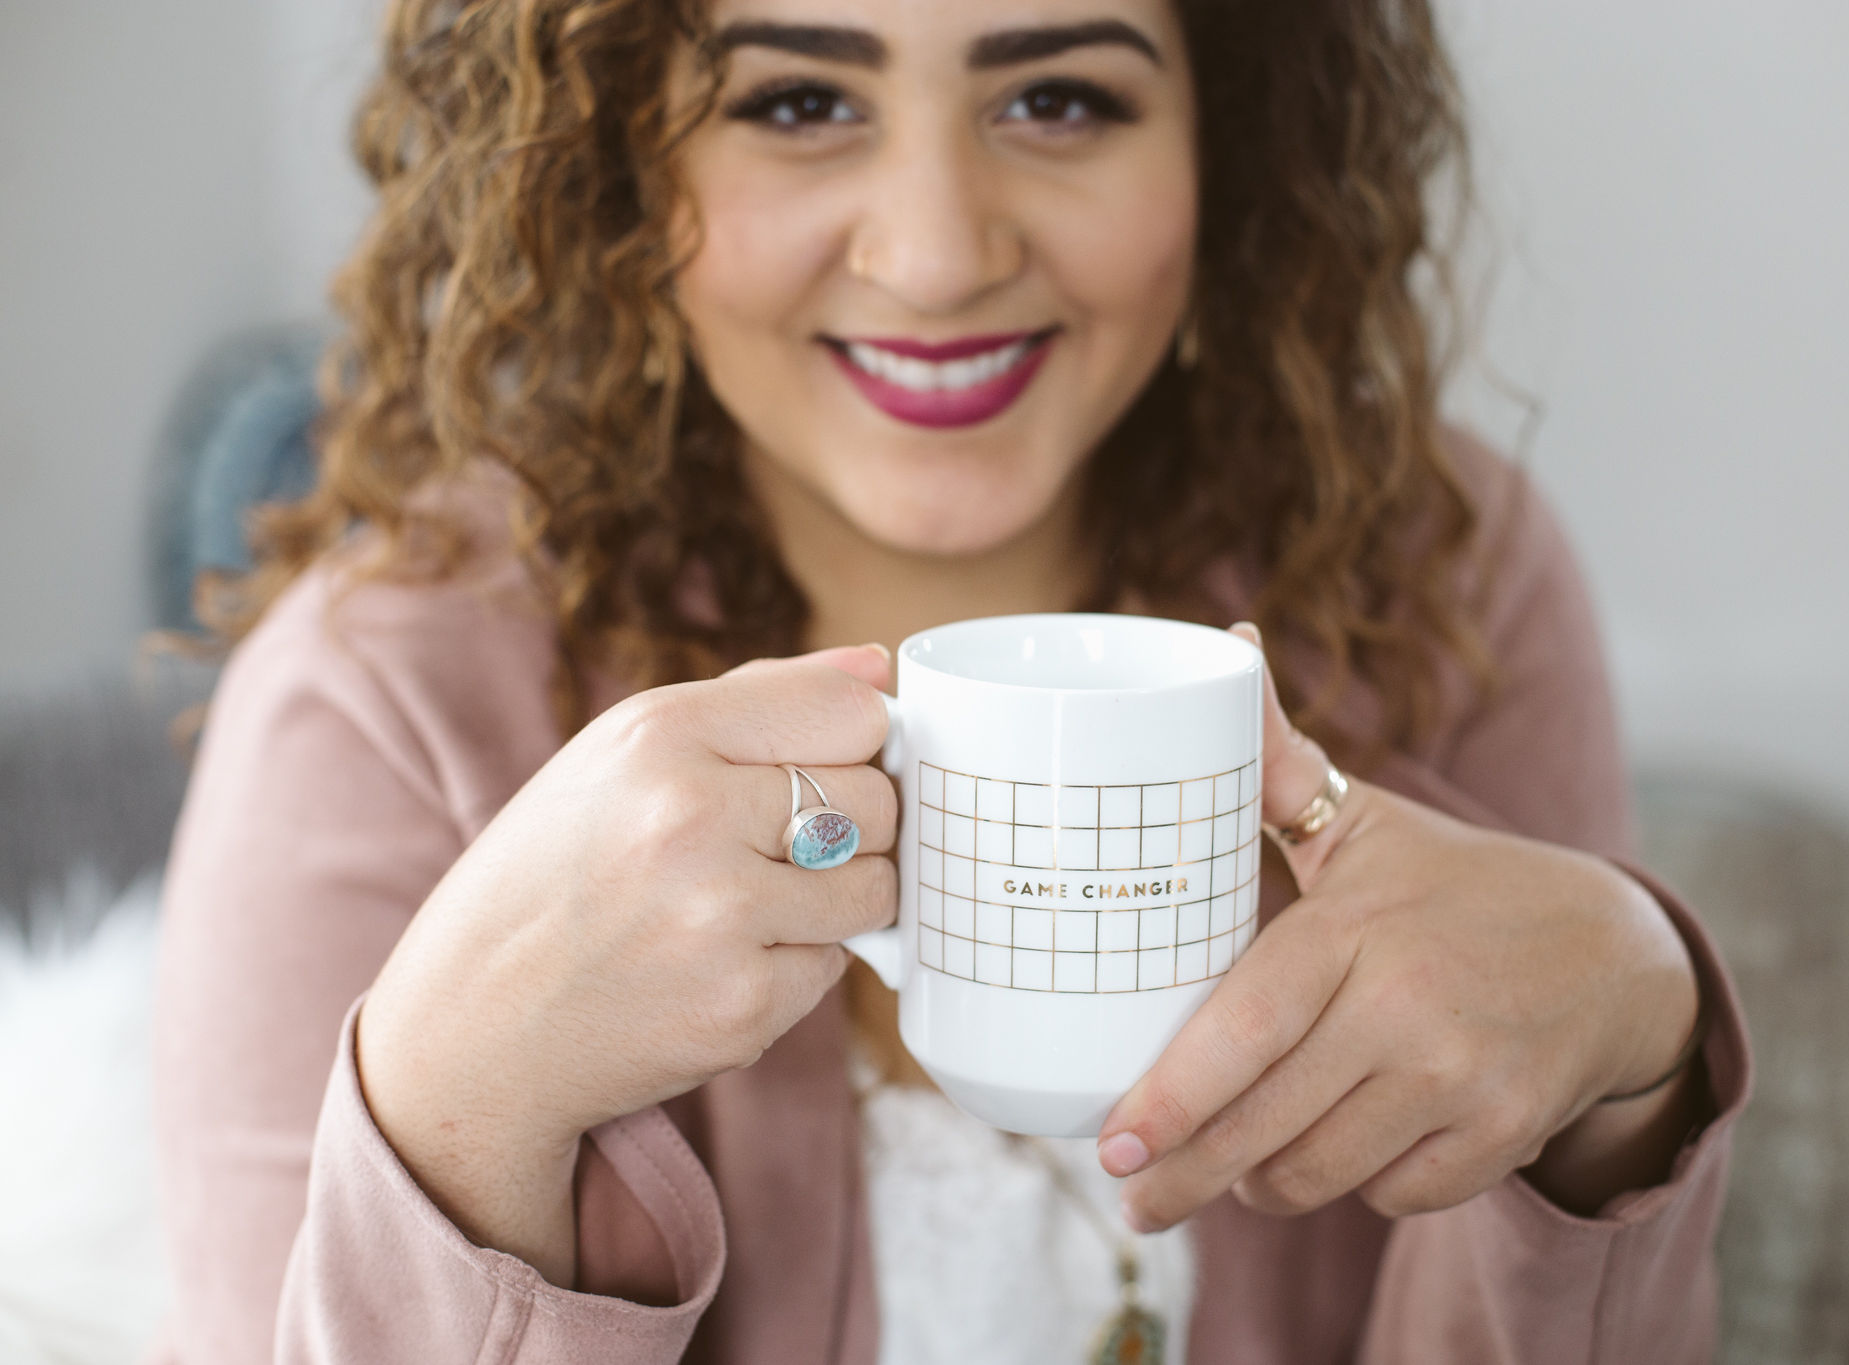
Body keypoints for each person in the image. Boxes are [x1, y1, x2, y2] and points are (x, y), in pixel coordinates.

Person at [151, 0, 1751, 1361]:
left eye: (1057, 98)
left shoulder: (1443, 581)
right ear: (626, 162)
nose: (933, 256)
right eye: (797, 101)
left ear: (1230, 138)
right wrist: (456, 1100)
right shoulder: (376, 701)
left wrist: (1635, 1047)